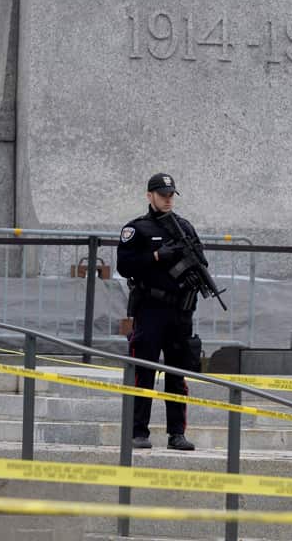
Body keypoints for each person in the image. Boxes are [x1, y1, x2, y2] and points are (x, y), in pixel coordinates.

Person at [117, 172, 202, 450]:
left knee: (177, 374)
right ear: (150, 196)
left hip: (180, 310)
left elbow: (201, 261)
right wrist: (155, 256)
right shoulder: (136, 229)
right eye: (162, 195)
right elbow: (125, 266)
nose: (167, 200)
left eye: (170, 195)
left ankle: (176, 433)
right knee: (144, 371)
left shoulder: (185, 228)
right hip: (151, 309)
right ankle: (138, 431)